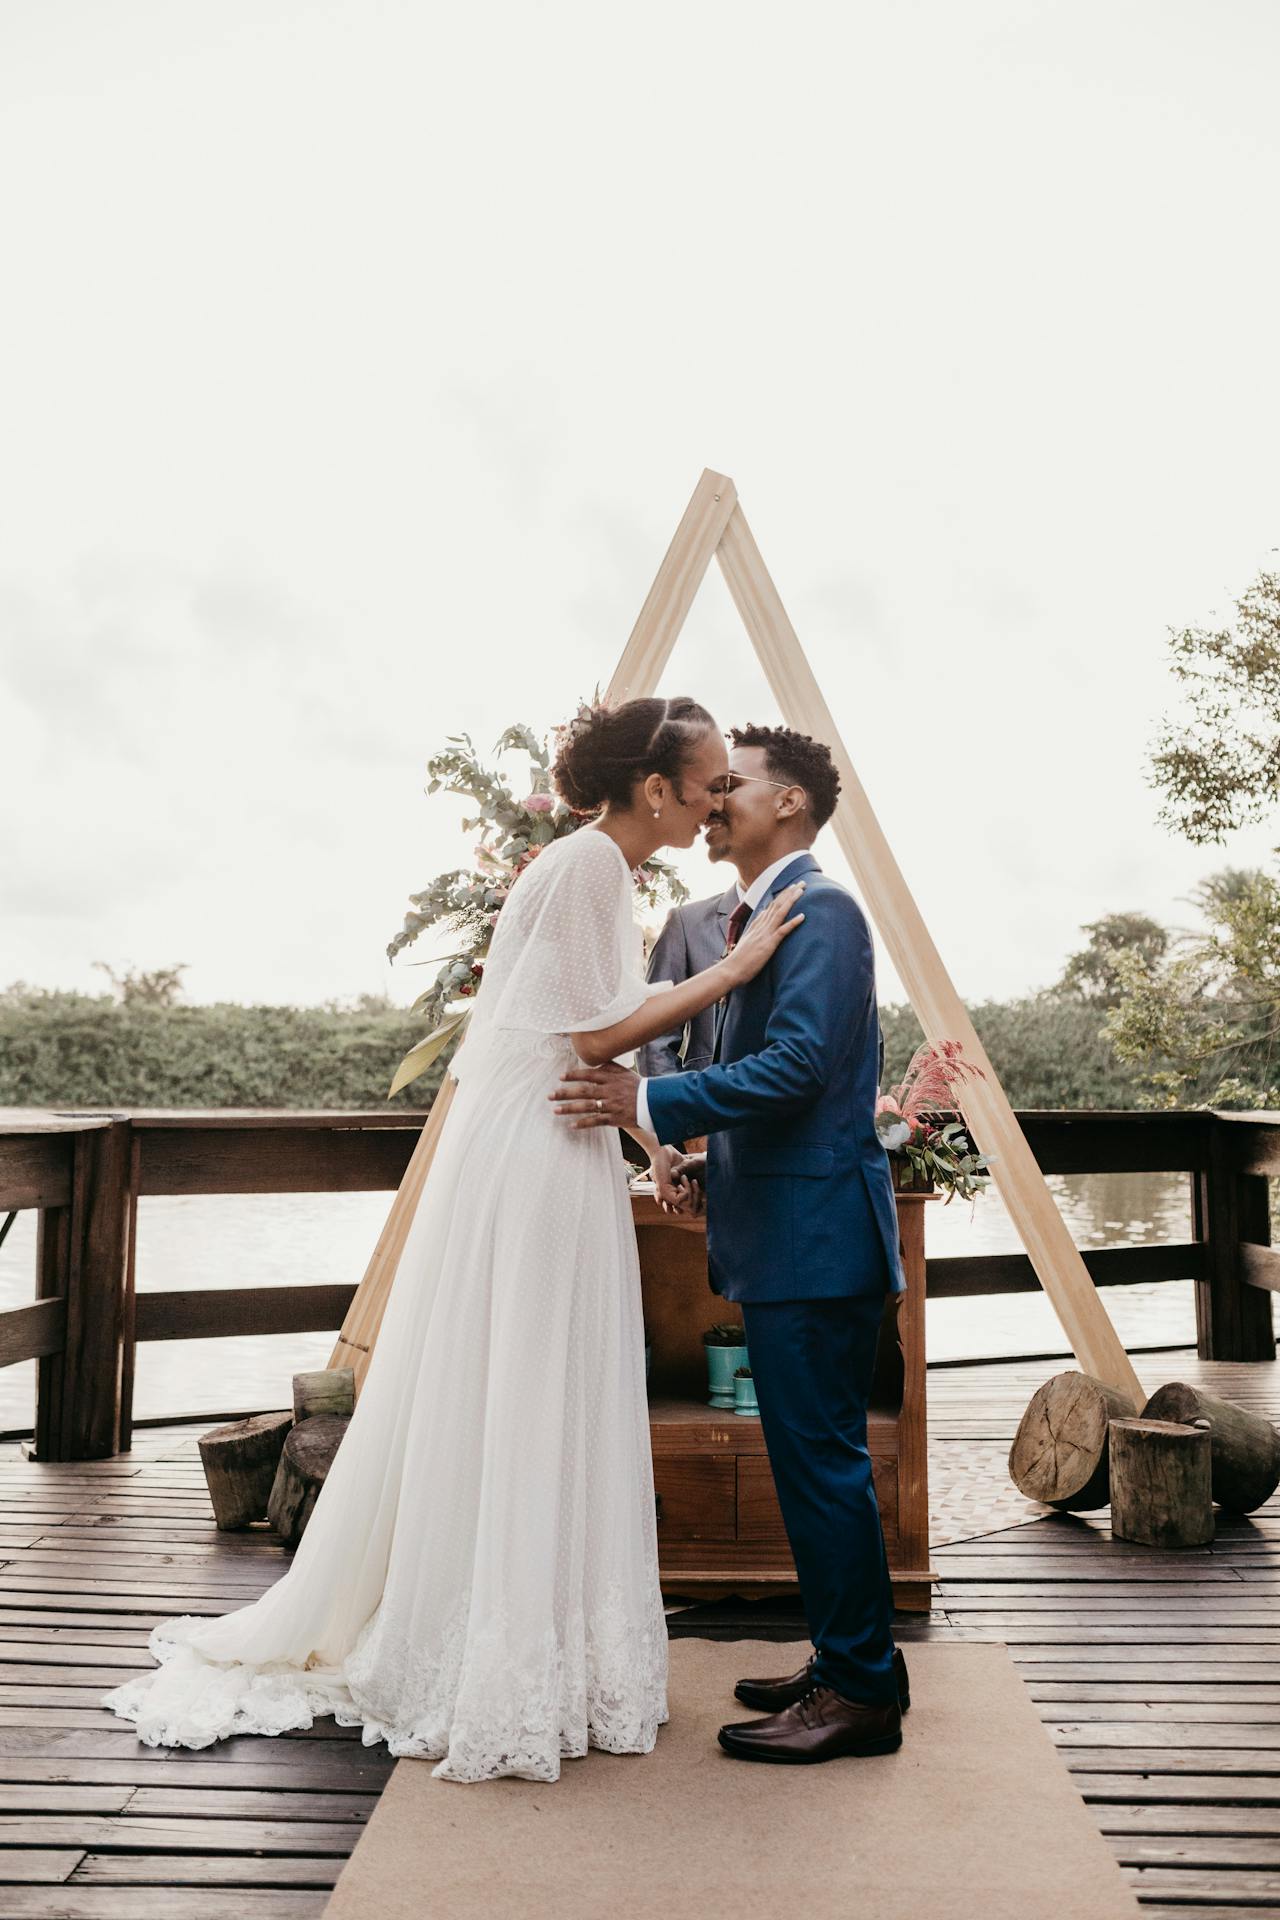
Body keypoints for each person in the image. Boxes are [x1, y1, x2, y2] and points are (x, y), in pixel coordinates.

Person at [102, 696, 804, 1784]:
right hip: (532, 1169)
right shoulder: (585, 869)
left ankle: (541, 1644)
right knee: (530, 1386)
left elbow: (568, 1059)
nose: (718, 798)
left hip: (555, 1148)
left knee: (546, 1384)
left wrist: (649, 1143)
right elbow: (589, 1036)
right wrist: (732, 969)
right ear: (655, 789)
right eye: (709, 781)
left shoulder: (591, 869)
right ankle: (503, 1652)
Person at [551, 724, 908, 1765]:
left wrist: (645, 1096)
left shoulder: (823, 911)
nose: (711, 802)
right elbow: (787, 1091)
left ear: (788, 804)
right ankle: (852, 1661)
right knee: (814, 1465)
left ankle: (857, 1698)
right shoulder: (751, 916)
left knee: (821, 1468)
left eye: (732, 786)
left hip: (818, 1242)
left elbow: (799, 1068)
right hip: (789, 1231)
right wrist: (710, 1158)